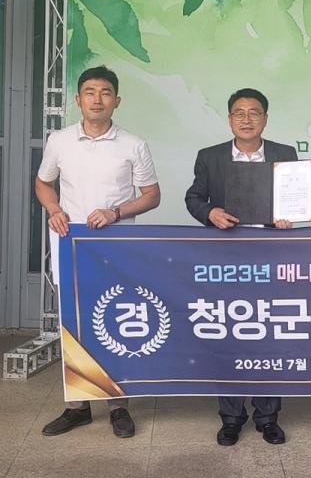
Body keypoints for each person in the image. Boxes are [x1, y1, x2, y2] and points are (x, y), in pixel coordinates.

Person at [36, 66, 161, 438]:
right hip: (71, 244)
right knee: (74, 322)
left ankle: (118, 407)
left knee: (114, 320)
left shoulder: (134, 144)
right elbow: (43, 183)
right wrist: (54, 209)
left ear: (116, 101)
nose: (97, 99)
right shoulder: (59, 140)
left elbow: (152, 195)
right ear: (78, 99)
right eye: (90, 92)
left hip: (116, 247)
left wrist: (115, 212)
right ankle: (77, 407)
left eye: (105, 92)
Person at [185, 87, 295, 446]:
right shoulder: (210, 157)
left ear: (266, 118)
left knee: (268, 336)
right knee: (228, 334)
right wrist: (210, 213)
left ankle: (268, 417)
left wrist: (288, 216)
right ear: (230, 118)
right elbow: (194, 197)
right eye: (239, 113)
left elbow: (294, 198)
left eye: (254, 112)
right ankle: (231, 418)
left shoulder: (284, 154)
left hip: (270, 257)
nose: (247, 119)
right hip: (226, 259)